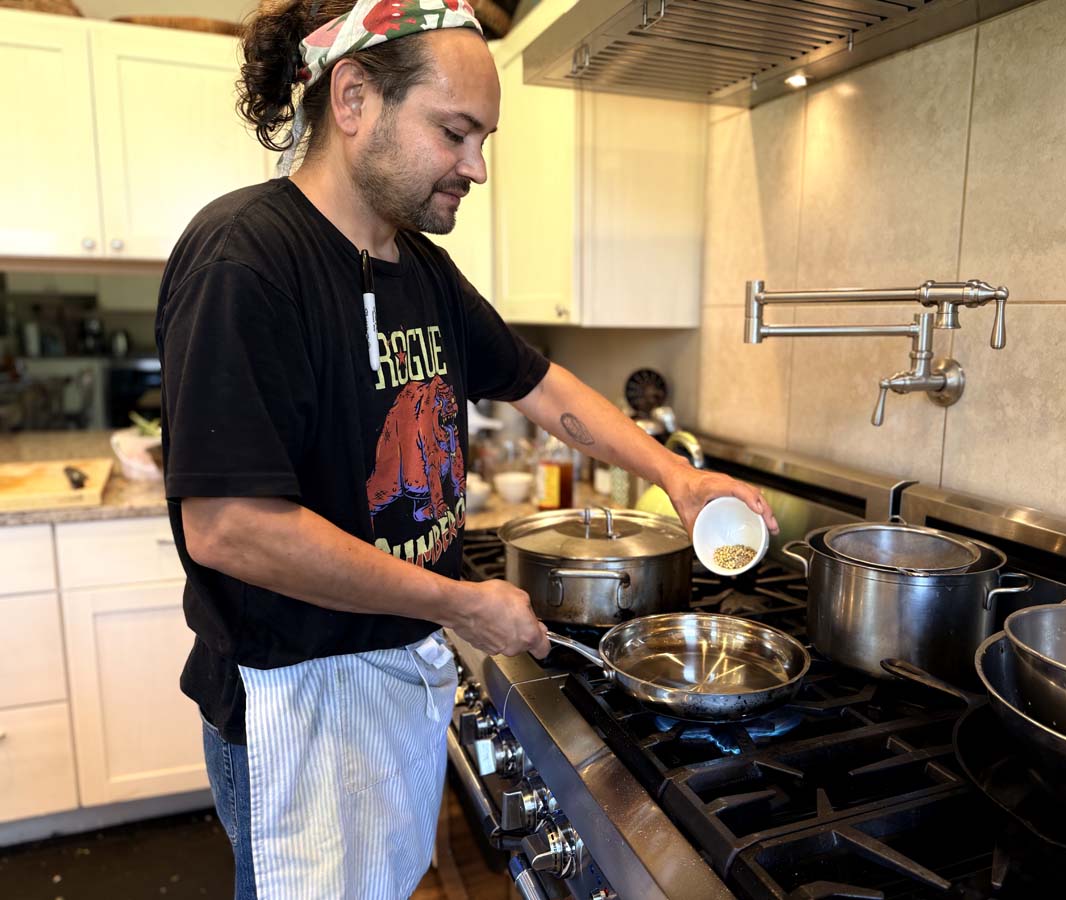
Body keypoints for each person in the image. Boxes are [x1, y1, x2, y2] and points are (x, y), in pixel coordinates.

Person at [155, 1, 779, 897]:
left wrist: (676, 476)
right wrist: (461, 603)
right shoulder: (246, 259)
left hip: (393, 676)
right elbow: (232, 529)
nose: (476, 166)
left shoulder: (421, 269)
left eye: (484, 139)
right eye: (454, 133)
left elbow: (542, 386)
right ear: (354, 97)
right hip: (301, 701)